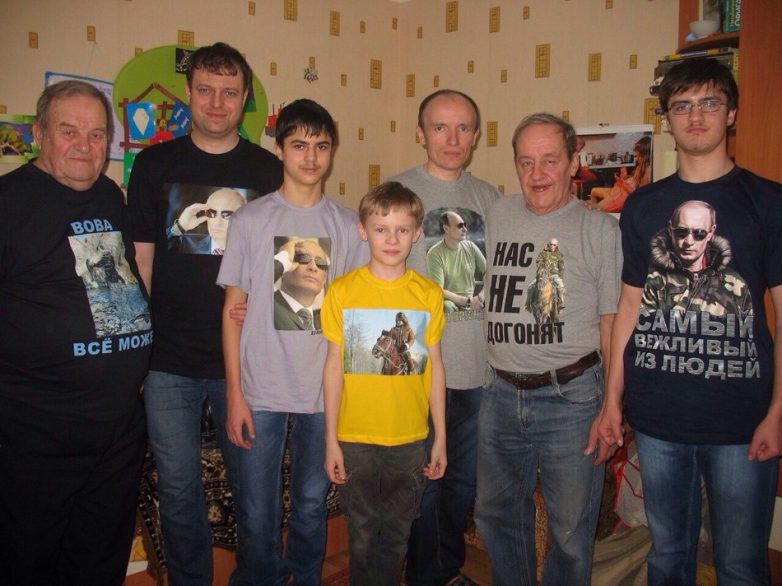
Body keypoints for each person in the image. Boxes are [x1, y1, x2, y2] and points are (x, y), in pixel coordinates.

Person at [588, 57, 782, 585]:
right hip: (658, 419)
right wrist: (612, 401)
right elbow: (629, 307)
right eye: (682, 106)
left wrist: (778, 411)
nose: (696, 116)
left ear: (731, 112)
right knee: (667, 556)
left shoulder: (768, 202)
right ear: (667, 119)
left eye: (709, 103)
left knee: (740, 564)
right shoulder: (642, 206)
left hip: (742, 420)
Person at [127, 42, 283, 586]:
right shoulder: (153, 165)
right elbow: (141, 263)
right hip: (167, 362)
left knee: (254, 489)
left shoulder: (268, 170)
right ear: (188, 94)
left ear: (245, 98)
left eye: (229, 92)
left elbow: (283, 263)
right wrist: (138, 354)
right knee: (177, 490)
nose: (217, 103)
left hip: (245, 362)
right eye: (206, 91)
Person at [0, 80, 152, 585]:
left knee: (99, 557)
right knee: (29, 559)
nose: (85, 146)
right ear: (39, 134)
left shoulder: (109, 194)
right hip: (38, 432)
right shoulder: (9, 202)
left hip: (117, 428)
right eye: (69, 131)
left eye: (96, 134)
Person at [218, 98, 366, 586]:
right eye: (299, 144)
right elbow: (231, 313)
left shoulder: (348, 226)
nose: (310, 156)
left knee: (309, 504)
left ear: (332, 151)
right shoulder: (250, 220)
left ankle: (304, 577)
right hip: (260, 390)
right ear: (279, 149)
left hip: (322, 392)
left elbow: (357, 311)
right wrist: (234, 393)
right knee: (256, 508)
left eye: (321, 145)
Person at [475, 113, 621, 586]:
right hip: (499, 393)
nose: (536, 174)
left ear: (573, 162)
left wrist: (611, 405)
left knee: (570, 532)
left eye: (550, 160)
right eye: (525, 162)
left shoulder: (599, 230)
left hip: (571, 398)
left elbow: (611, 324)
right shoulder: (497, 214)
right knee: (495, 516)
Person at [392, 89, 500, 586]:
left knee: (461, 483)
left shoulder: (491, 200)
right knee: (425, 486)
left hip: (477, 371)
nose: (452, 139)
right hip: (417, 371)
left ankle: (444, 570)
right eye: (440, 127)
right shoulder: (397, 192)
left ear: (475, 136)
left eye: (463, 128)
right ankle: (424, 576)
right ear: (421, 134)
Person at [321, 181, 447, 586]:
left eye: (402, 230)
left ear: (416, 233)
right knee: (360, 536)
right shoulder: (342, 291)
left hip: (409, 439)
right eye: (381, 229)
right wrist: (330, 439)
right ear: (363, 230)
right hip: (355, 438)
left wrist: (440, 438)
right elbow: (332, 367)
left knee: (396, 537)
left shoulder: (428, 295)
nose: (392, 239)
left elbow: (435, 367)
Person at [642, 200, 752, 315]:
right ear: (670, 229)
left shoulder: (735, 284)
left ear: (710, 232)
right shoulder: (651, 280)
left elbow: (748, 324)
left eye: (699, 234)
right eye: (681, 232)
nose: (689, 242)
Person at [426, 210, 487, 313]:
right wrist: (467, 301)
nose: (465, 229)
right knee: (447, 306)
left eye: (465, 225)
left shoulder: (470, 247)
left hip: (473, 303)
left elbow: (490, 272)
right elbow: (438, 290)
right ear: (446, 228)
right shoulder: (434, 254)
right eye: (460, 226)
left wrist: (481, 297)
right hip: (450, 304)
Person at [273, 237, 330, 330]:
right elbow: (255, 283)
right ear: (285, 268)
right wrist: (283, 257)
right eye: (303, 258)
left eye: (320, 263)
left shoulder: (326, 322)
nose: (313, 267)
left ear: (324, 278)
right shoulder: (265, 304)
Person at [167, 187, 245, 254]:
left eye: (226, 215)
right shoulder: (186, 244)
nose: (217, 222)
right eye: (211, 213)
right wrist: (180, 226)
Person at [588, 136, 651, 213]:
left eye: (639, 156)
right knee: (593, 191)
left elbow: (638, 194)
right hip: (617, 191)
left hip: (622, 197)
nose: (636, 159)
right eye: (636, 156)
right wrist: (625, 177)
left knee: (595, 209)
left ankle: (594, 214)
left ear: (646, 155)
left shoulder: (647, 171)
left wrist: (623, 183)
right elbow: (634, 181)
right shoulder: (640, 167)